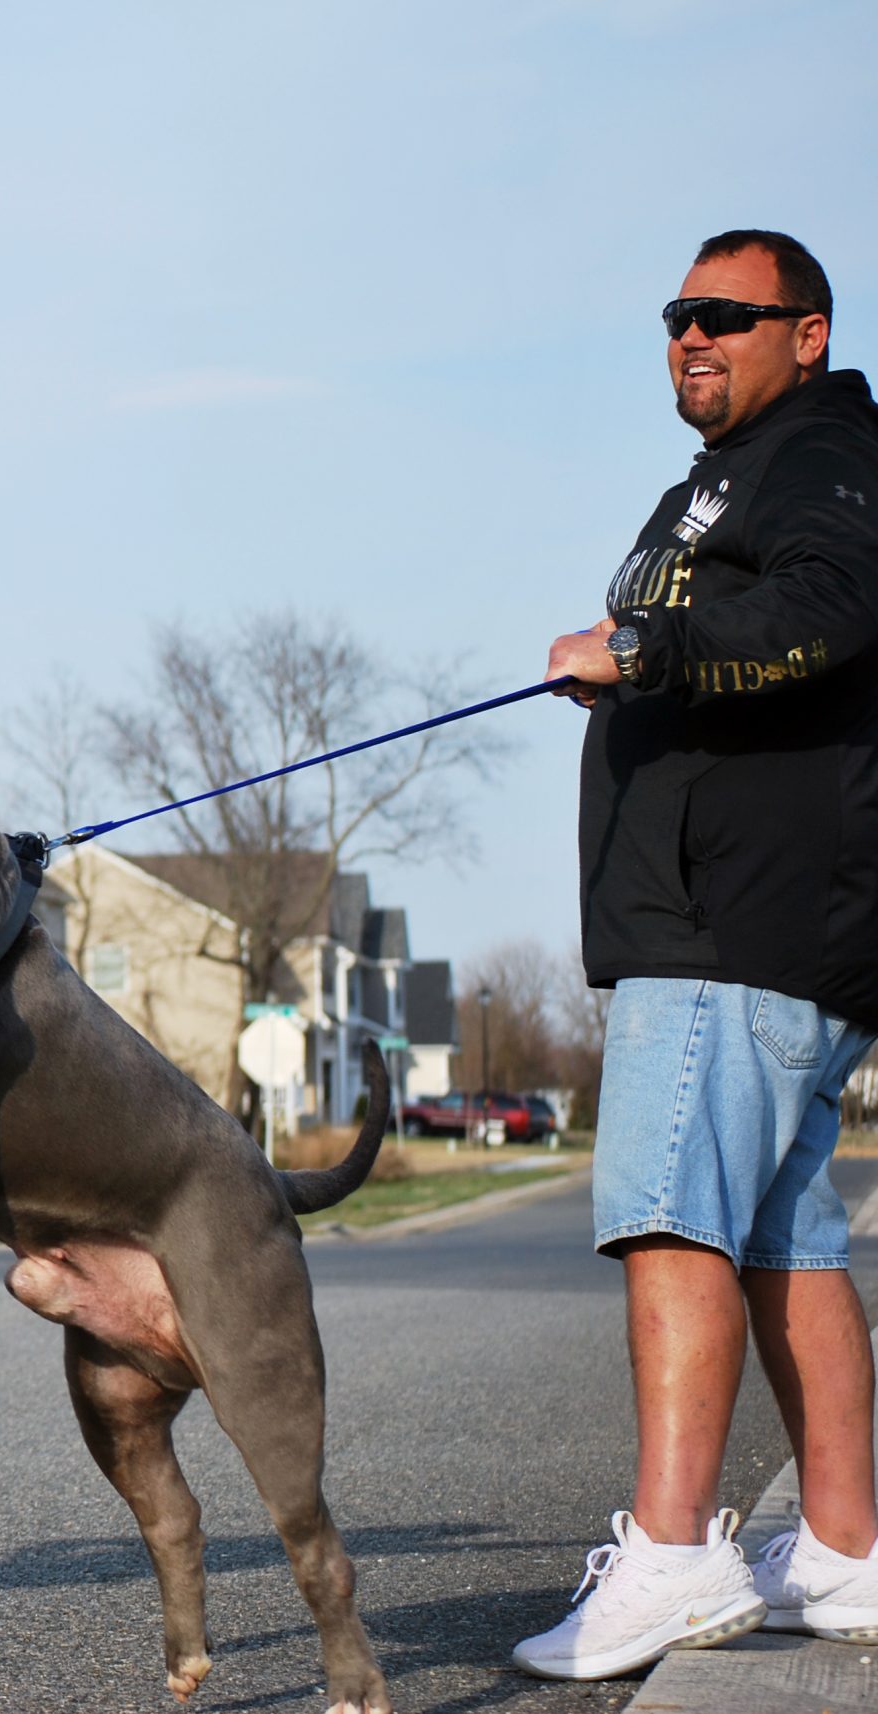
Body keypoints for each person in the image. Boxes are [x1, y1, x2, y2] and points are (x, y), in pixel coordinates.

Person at [517, 230, 878, 1681]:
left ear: (810, 330)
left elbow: (830, 608)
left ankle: (672, 1555)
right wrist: (638, 663)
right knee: (785, 1233)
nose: (693, 336)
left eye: (728, 314)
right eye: (678, 316)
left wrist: (646, 656)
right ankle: (848, 1548)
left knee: (671, 1209)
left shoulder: (825, 455)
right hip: (761, 919)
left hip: (734, 917)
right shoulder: (723, 480)